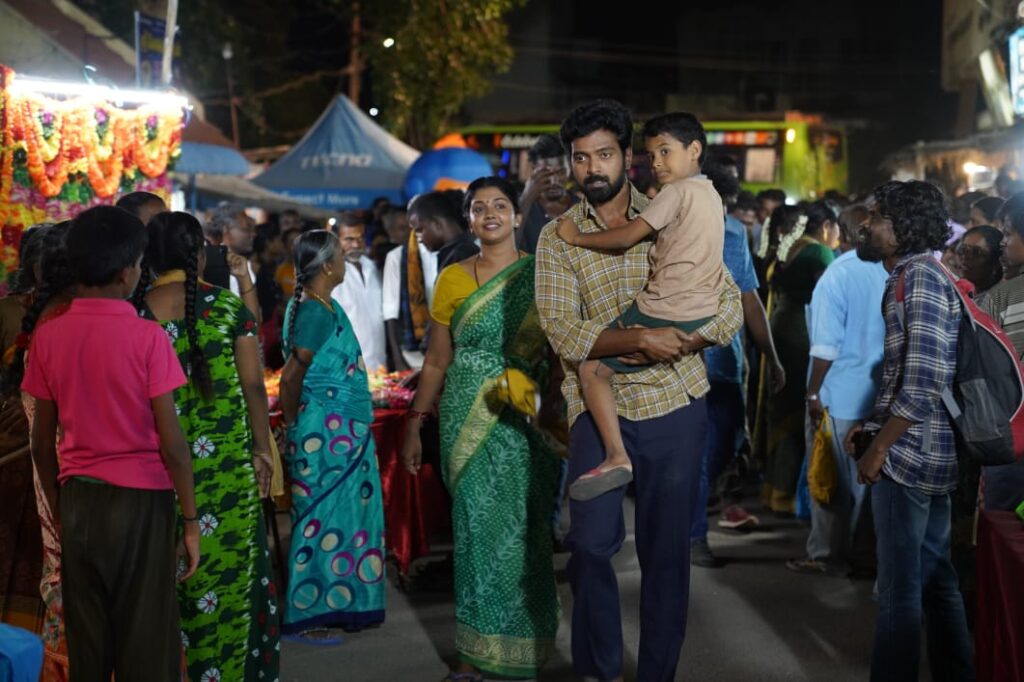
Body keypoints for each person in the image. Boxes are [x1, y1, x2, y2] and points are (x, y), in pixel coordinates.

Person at [536, 99, 742, 682]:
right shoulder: (559, 237)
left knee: (666, 555)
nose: (591, 168)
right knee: (589, 546)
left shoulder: (676, 207)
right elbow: (561, 330)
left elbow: (727, 303)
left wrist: (682, 340)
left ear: (628, 156)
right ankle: (600, 670)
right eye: (580, 158)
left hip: (675, 401)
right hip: (595, 410)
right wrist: (638, 337)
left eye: (603, 154)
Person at [22, 206, 199, 681]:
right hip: (142, 504)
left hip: (79, 500)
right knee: (148, 643)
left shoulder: (49, 336)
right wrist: (190, 521)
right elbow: (174, 445)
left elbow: (41, 443)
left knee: (90, 646)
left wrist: (61, 507)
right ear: (126, 273)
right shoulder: (147, 337)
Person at [401, 177, 560, 682]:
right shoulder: (452, 278)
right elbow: (436, 361)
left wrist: (552, 413)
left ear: (518, 216)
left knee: (525, 531)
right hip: (465, 415)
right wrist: (414, 424)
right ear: (468, 220)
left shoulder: (543, 274)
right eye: (478, 208)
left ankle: (524, 647)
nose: (489, 214)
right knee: (473, 532)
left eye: (500, 205)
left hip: (524, 413)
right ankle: (471, 655)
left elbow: (560, 356)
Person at [135, 212, 280, 681]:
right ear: (200, 254)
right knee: (236, 571)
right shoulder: (228, 308)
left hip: (161, 469)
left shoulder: (138, 314)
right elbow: (254, 387)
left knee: (177, 580)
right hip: (230, 464)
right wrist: (262, 449)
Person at [555, 112, 727, 501]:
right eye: (652, 155)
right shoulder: (712, 195)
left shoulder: (675, 193)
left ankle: (616, 456)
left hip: (665, 311)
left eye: (665, 152)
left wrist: (577, 238)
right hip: (700, 312)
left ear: (694, 150)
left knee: (591, 368)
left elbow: (625, 238)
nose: (657, 163)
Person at [846, 180, 973, 682]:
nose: (866, 224)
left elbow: (923, 381)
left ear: (903, 228)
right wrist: (870, 425)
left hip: (909, 456)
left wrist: (878, 447)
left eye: (876, 216)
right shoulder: (917, 274)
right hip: (928, 450)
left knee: (900, 593)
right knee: (937, 580)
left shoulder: (918, 277)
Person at [278, 230, 386, 640]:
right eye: (339, 254)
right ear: (326, 266)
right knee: (320, 518)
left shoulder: (323, 305)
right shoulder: (315, 312)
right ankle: (310, 612)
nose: (344, 259)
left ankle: (343, 602)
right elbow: (291, 377)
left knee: (345, 516)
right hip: (324, 433)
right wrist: (293, 424)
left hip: (341, 431)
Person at [689, 164, 786, 567]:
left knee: (723, 446)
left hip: (726, 364)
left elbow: (749, 298)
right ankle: (693, 536)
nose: (722, 211)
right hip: (681, 365)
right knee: (694, 456)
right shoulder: (666, 231)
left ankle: (691, 522)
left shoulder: (734, 233)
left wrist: (771, 356)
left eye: (726, 204)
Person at [786, 207, 888, 576]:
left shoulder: (837, 275)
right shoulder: (891, 270)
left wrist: (813, 393)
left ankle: (827, 554)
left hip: (839, 393)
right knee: (867, 484)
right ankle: (864, 557)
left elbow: (825, 346)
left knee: (830, 480)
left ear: (840, 233)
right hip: (879, 394)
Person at [757, 203, 837, 514]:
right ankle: (788, 493)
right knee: (797, 410)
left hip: (781, 325)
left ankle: (773, 489)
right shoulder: (820, 252)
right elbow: (828, 296)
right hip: (801, 333)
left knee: (781, 409)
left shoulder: (794, 246)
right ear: (827, 225)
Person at [382, 207, 439, 371]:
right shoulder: (395, 257)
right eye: (402, 228)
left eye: (411, 226)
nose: (409, 232)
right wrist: (397, 359)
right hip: (412, 352)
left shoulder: (437, 252)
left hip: (441, 346)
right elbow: (390, 312)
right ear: (392, 232)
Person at [330, 212, 387, 372]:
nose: (356, 245)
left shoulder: (371, 266)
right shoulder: (330, 273)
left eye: (360, 238)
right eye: (349, 239)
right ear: (336, 241)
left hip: (379, 363)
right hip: (346, 367)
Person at [518, 133, 575, 254]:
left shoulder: (581, 207)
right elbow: (506, 250)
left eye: (560, 172)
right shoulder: (523, 207)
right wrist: (527, 197)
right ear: (534, 170)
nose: (553, 181)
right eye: (546, 174)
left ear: (570, 168)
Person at [204, 204, 260, 320]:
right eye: (246, 229)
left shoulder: (203, 257)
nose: (252, 234)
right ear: (226, 229)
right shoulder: (241, 266)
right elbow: (252, 321)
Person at [410, 190, 480, 271]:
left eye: (419, 230)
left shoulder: (462, 256)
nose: (418, 239)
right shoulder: (454, 254)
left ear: (437, 224)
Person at [956, 224, 1003, 300]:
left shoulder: (994, 301)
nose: (965, 256)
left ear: (996, 264)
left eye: (977, 252)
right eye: (963, 249)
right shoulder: (964, 293)